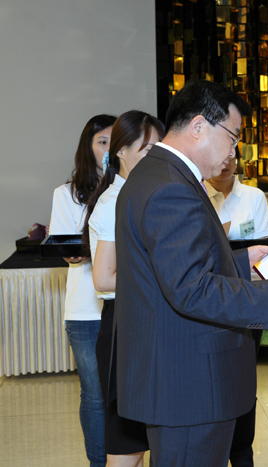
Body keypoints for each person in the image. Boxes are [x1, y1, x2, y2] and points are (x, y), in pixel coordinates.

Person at [113, 80, 268, 467]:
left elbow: (169, 269)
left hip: (176, 374)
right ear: (199, 126)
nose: (233, 151)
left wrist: (241, 261)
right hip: (190, 383)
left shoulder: (155, 173)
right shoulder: (171, 187)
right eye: (233, 137)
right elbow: (191, 289)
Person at [82, 110, 166, 467]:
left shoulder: (136, 194)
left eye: (158, 149)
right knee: (126, 446)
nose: (154, 157)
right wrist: (164, 280)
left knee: (145, 438)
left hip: (143, 321)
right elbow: (103, 279)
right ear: (121, 152)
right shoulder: (115, 201)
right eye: (146, 149)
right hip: (124, 327)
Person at [49, 114, 116, 467]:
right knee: (94, 395)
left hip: (124, 304)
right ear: (87, 147)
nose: (108, 149)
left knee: (127, 392)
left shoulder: (131, 189)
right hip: (85, 310)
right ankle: (98, 462)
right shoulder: (65, 194)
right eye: (102, 142)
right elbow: (68, 248)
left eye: (114, 142)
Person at [204, 146, 268, 466]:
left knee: (244, 380)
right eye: (222, 154)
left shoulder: (253, 197)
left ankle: (242, 452)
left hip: (246, 299)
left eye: (233, 155)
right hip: (209, 301)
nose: (227, 162)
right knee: (214, 382)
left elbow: (263, 253)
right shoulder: (195, 195)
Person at [205, 145, 268, 241]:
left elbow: (262, 243)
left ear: (236, 159)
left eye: (229, 156)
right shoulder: (195, 195)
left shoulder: (255, 196)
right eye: (217, 156)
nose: (225, 162)